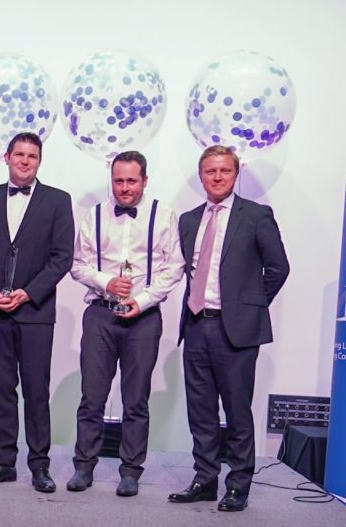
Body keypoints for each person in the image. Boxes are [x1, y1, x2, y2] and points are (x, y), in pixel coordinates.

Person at [168, 145, 289, 512]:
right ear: (201, 176)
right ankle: (205, 479)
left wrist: (248, 307)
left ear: (236, 175)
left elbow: (278, 268)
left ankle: (238, 485)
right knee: (200, 411)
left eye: (225, 171)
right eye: (211, 171)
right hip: (195, 326)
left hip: (235, 330)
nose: (217, 177)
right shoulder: (189, 219)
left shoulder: (256, 215)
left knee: (237, 411)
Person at [67, 151, 184, 497]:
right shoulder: (94, 215)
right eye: (118, 181)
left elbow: (174, 268)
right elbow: (77, 264)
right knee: (92, 396)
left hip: (143, 319)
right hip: (100, 314)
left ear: (145, 181)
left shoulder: (164, 216)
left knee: (136, 399)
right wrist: (106, 282)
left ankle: (131, 471)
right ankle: (83, 467)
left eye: (132, 181)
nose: (124, 188)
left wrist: (143, 299)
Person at [0, 132, 74, 492]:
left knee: (37, 391)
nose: (25, 161)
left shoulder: (58, 201)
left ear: (39, 161)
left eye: (32, 156)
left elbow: (62, 258)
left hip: (35, 312)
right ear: (6, 157)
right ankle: (4, 462)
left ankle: (40, 465)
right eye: (20, 154)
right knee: (2, 389)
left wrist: (28, 293)